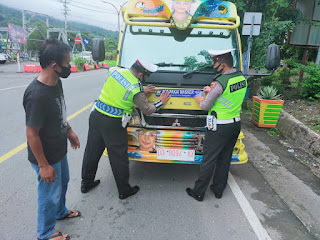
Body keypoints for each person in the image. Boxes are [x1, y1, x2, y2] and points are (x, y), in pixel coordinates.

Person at [81, 59, 171, 199]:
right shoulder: (136, 88)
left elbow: (120, 87)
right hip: (113, 123)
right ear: (141, 75)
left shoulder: (114, 71)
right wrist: (161, 102)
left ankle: (86, 183)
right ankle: (124, 191)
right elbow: (147, 110)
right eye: (146, 77)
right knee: (119, 158)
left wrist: (141, 90)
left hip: (96, 115)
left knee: (92, 150)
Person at [23, 39, 81, 240]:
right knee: (49, 194)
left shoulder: (57, 83)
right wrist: (44, 165)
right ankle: (46, 233)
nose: (70, 67)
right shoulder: (37, 95)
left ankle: (60, 212)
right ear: (54, 65)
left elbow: (60, 112)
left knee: (62, 182)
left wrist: (70, 131)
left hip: (59, 149)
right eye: (67, 63)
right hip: (46, 157)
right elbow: (32, 134)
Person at [186, 49, 247, 201]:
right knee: (225, 159)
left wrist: (200, 98)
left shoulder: (221, 82)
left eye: (215, 62)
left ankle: (199, 193)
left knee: (208, 160)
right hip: (235, 125)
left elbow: (206, 106)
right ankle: (218, 190)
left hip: (219, 127)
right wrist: (211, 90)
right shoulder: (241, 78)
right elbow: (227, 96)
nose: (214, 65)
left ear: (223, 64)